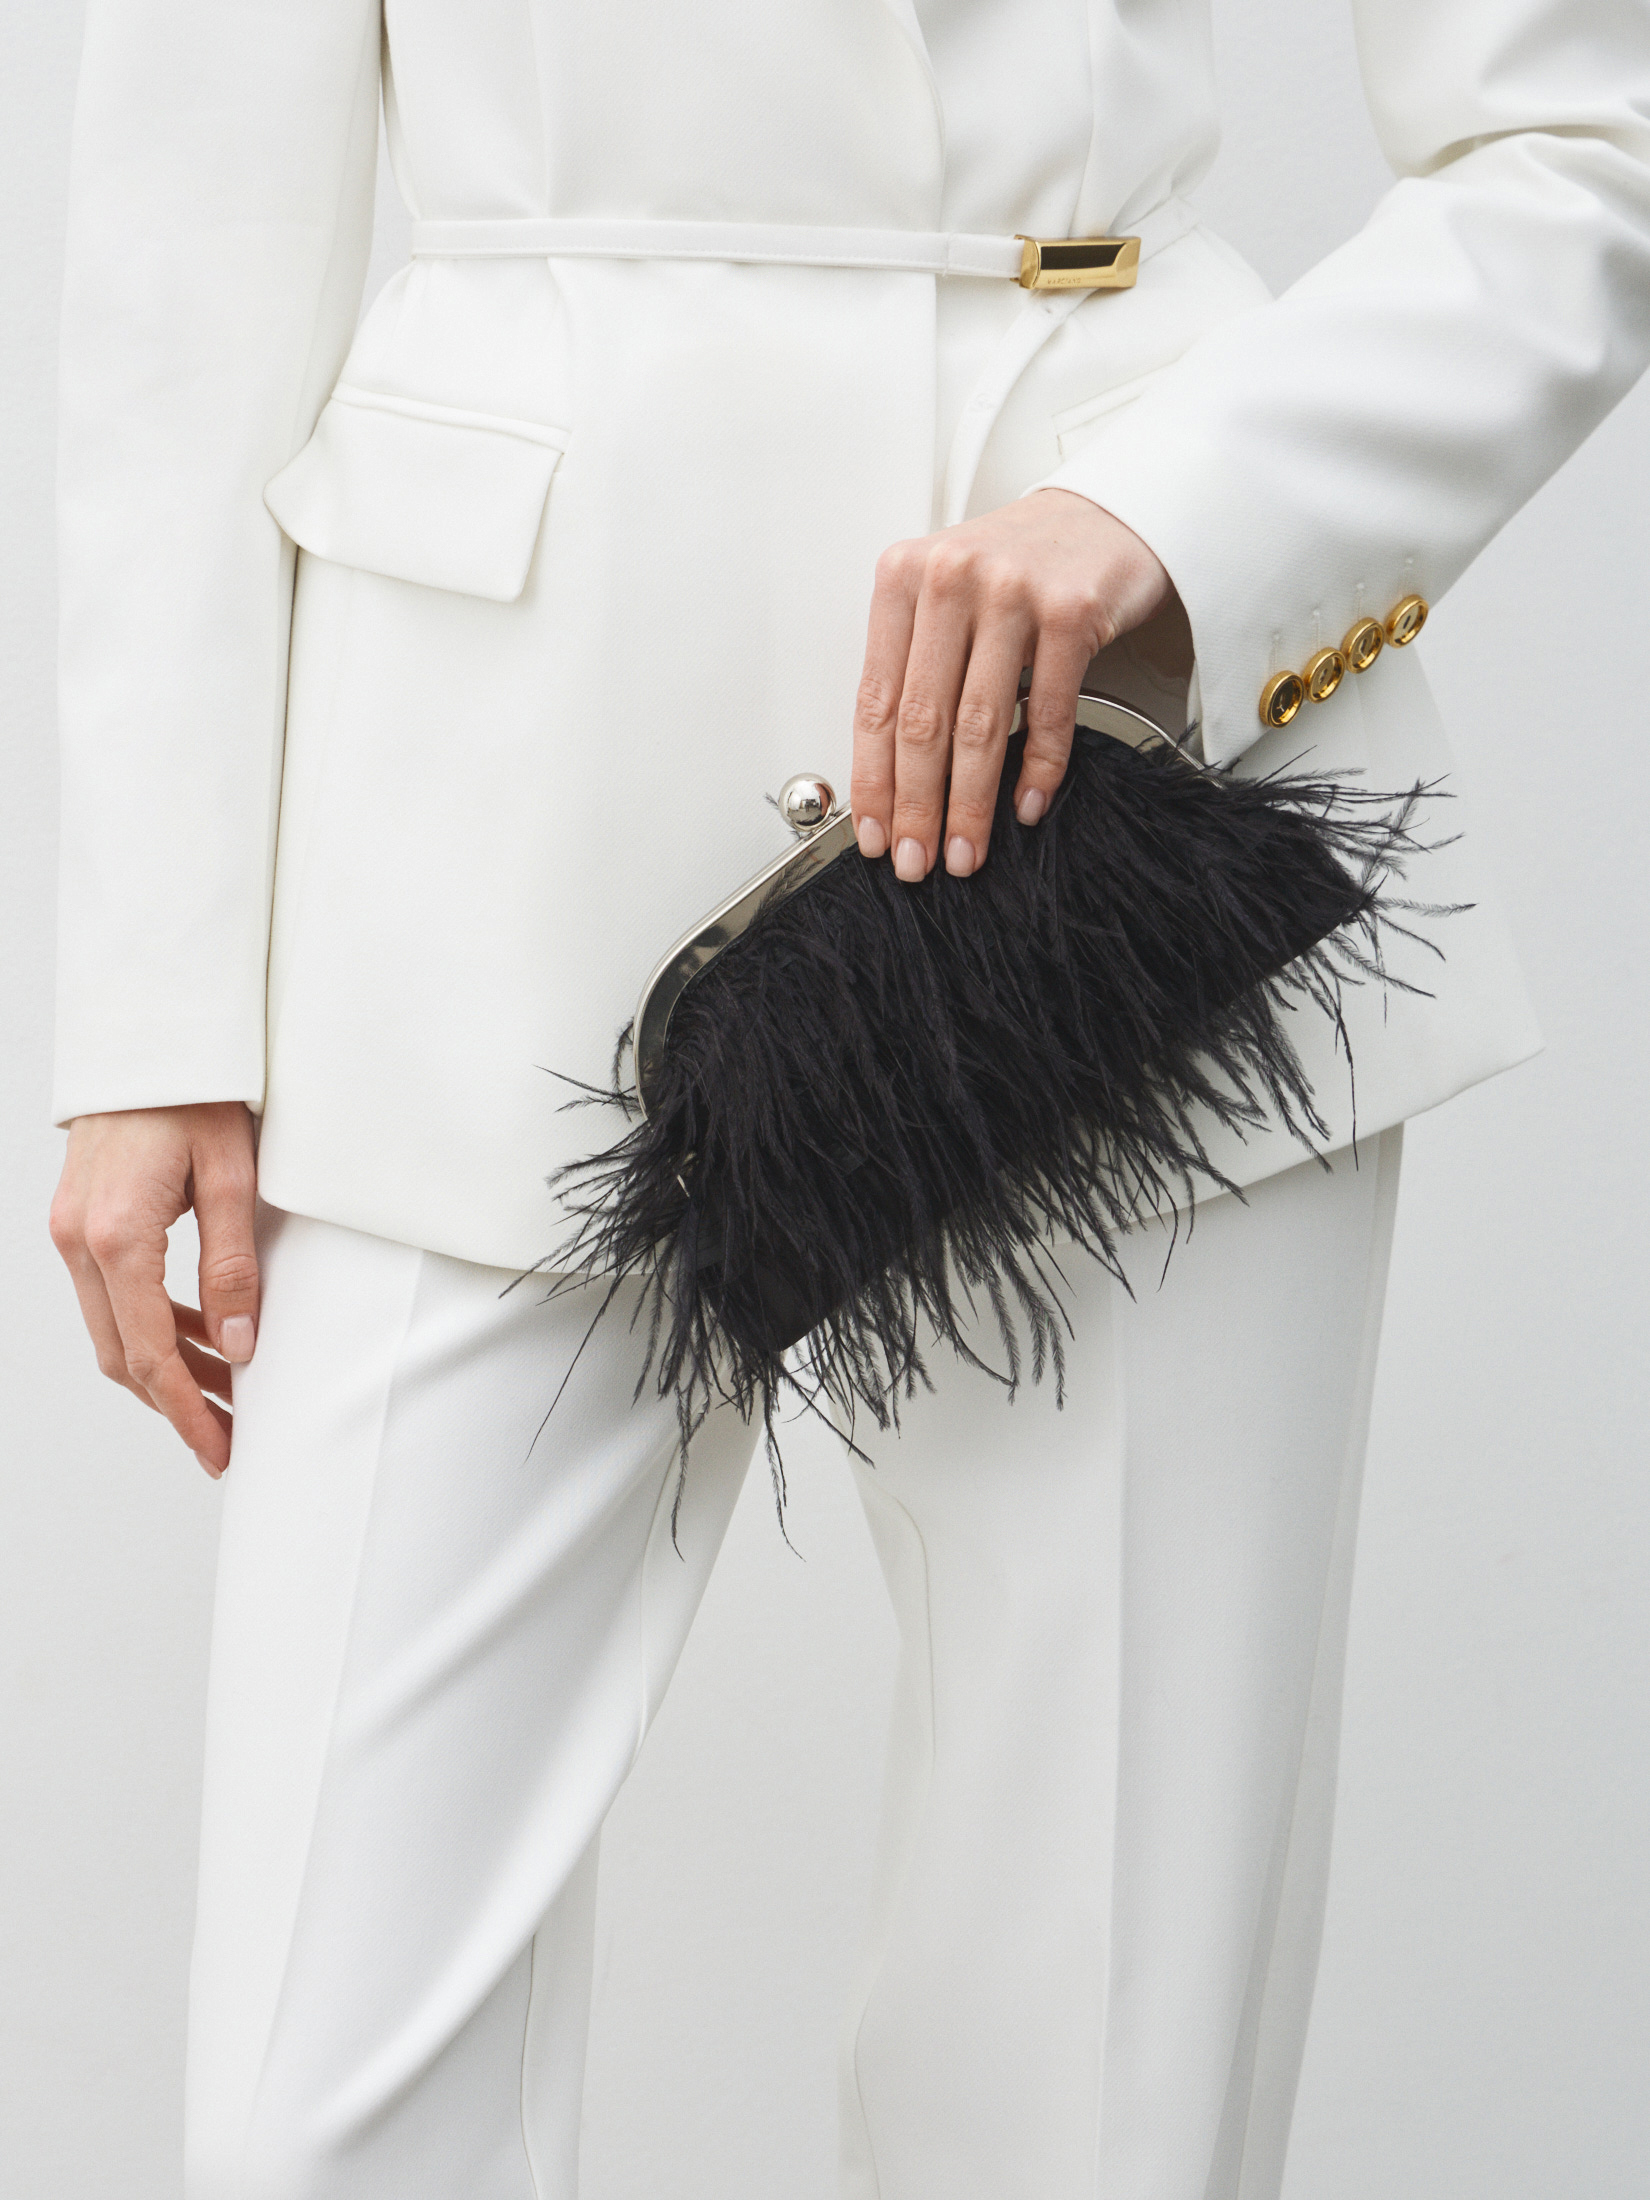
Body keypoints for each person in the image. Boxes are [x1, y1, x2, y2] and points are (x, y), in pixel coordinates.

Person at [46, 4, 1650, 2197]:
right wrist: (155, 1009)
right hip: (480, 803)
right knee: (310, 2099)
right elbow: (179, 262)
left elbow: (1588, 133)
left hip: (1113, 805)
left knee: (1101, 2077)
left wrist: (1182, 509)